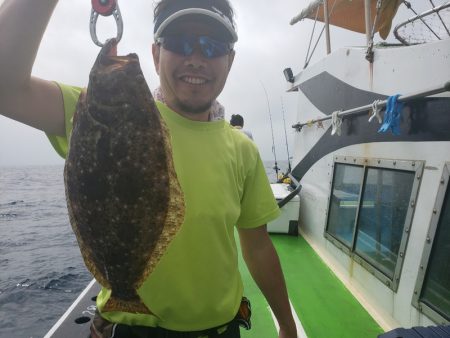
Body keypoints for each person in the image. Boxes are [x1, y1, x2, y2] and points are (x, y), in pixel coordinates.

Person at [0, 0, 297, 337]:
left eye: (213, 46)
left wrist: (287, 325)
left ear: (230, 60)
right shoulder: (96, 112)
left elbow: (257, 247)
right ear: (155, 54)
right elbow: (5, 85)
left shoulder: (242, 149)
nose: (196, 57)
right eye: (179, 42)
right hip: (128, 327)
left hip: (220, 330)